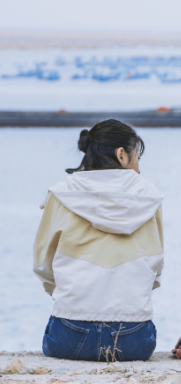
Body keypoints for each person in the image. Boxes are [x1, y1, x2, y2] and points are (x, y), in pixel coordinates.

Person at [33, 119, 163, 362]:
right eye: (137, 157)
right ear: (122, 155)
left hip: (69, 334)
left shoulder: (60, 194)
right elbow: (156, 267)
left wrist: (72, 299)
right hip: (134, 338)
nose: (138, 167)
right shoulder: (150, 197)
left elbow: (43, 265)